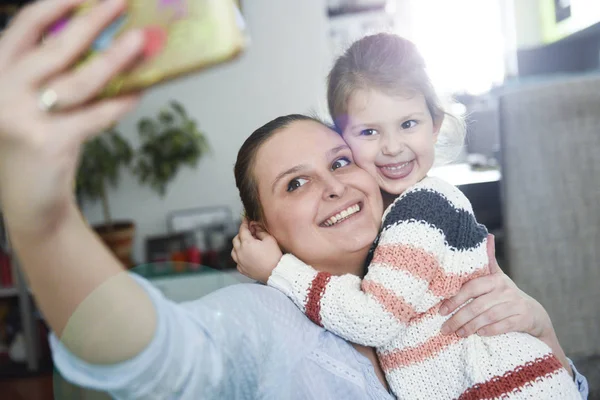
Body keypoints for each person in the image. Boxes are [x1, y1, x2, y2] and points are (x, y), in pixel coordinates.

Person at [0, 1, 588, 399]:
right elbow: (163, 356)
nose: (333, 183)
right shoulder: (268, 322)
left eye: (338, 162)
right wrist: (42, 218)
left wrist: (544, 334)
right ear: (260, 230)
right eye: (295, 183)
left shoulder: (429, 262)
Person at [231, 34, 580, 399]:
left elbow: (373, 319)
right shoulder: (396, 222)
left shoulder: (421, 210)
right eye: (369, 132)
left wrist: (278, 270)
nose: (393, 147)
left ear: (435, 124)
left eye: (408, 124)